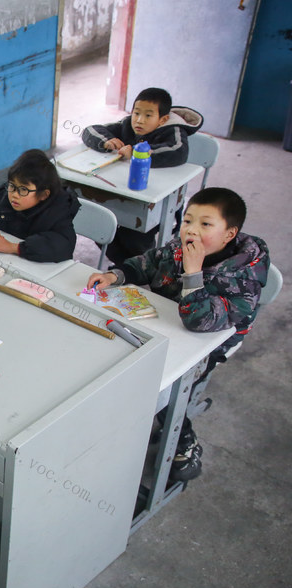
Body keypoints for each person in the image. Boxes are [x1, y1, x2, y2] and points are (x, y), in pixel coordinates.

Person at [86, 187, 269, 481]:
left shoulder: (241, 275)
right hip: (167, 323)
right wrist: (115, 276)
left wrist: (193, 272)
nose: (191, 231)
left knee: (164, 383)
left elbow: (201, 321)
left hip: (210, 341)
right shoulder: (178, 247)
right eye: (187, 221)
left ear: (229, 234)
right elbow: (147, 263)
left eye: (205, 224)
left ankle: (183, 441)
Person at [81, 87, 204, 264]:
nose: (139, 120)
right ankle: (129, 267)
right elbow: (91, 130)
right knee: (102, 226)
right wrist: (106, 142)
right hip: (125, 193)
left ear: (163, 119)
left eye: (148, 115)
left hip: (155, 200)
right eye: (136, 113)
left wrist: (139, 153)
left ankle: (143, 267)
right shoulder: (127, 125)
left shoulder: (173, 131)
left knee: (134, 237)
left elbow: (178, 151)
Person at [0, 148, 80, 263]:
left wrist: (13, 247)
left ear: (43, 194)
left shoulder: (56, 213)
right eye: (12, 186)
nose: (14, 195)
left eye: (23, 190)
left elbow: (63, 246)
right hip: (2, 262)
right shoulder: (4, 200)